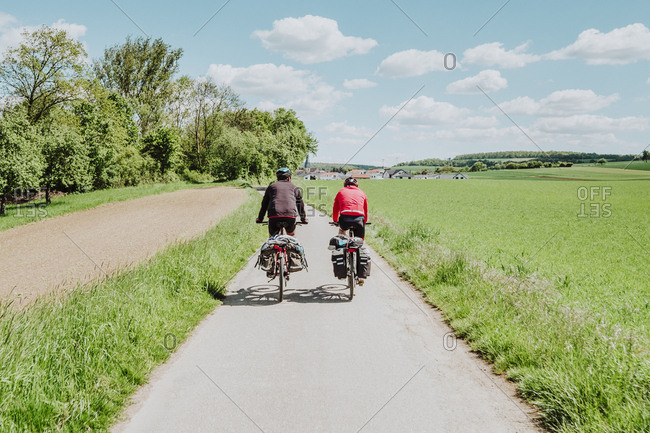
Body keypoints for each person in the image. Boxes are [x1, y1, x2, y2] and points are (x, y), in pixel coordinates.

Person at [256, 168, 307, 236]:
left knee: (272, 238)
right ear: (289, 178)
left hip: (274, 215)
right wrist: (303, 219)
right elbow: (300, 205)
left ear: (277, 178)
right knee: (291, 236)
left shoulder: (271, 187)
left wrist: (260, 219)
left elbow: (264, 205)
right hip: (290, 216)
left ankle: (273, 245)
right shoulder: (295, 188)